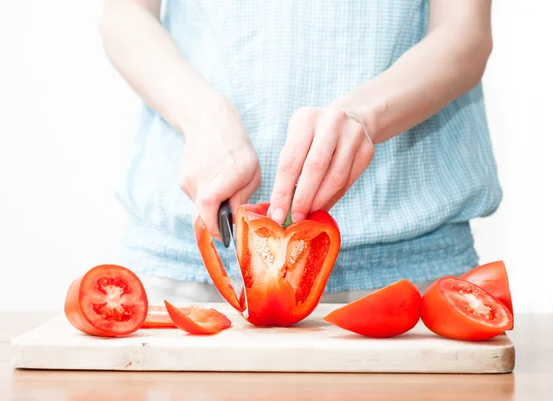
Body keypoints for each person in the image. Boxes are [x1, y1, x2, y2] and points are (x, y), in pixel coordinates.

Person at [99, 0, 501, 303]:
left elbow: (465, 32)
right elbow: (125, 14)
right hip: (181, 266)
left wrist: (363, 116)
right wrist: (201, 115)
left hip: (405, 268)